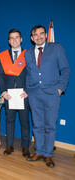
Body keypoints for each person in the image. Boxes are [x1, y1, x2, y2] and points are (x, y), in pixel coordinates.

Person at [25, 25, 70, 168]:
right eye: (35, 35)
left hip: (52, 94)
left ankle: (48, 155)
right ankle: (39, 151)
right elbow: (28, 73)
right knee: (37, 125)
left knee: (50, 126)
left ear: (45, 35)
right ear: (32, 38)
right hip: (34, 94)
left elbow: (65, 69)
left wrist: (60, 89)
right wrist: (28, 89)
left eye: (41, 34)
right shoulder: (28, 53)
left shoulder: (56, 48)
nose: (38, 36)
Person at [0, 29, 30, 157]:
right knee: (9, 121)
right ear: (9, 41)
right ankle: (9, 146)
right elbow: (0, 75)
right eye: (12, 38)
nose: (14, 40)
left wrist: (28, 90)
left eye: (17, 37)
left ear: (21, 39)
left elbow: (32, 74)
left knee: (25, 122)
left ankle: (25, 147)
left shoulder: (28, 54)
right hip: (9, 95)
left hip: (23, 94)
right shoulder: (4, 56)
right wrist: (3, 92)